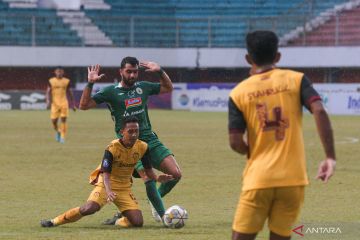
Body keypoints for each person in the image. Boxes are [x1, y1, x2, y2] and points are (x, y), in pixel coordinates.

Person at [228, 31, 336, 240]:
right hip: (293, 179)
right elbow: (320, 110)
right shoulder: (296, 80)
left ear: (248, 59)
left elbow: (234, 142)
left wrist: (253, 150)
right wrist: (330, 157)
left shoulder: (239, 93)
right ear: (278, 56)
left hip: (258, 178)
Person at [79, 57, 182, 224]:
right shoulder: (110, 91)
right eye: (129, 71)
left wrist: (160, 71)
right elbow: (84, 105)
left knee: (175, 174)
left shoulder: (143, 87)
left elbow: (168, 88)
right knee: (148, 177)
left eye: (135, 71)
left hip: (150, 139)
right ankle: (164, 217)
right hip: (129, 144)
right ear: (121, 72)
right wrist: (90, 83)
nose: (132, 75)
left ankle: (154, 201)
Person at [40, 116, 173, 228]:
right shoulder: (112, 148)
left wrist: (157, 178)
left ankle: (117, 221)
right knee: (89, 208)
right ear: (122, 131)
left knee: (138, 222)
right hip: (106, 184)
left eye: (136, 131)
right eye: (130, 131)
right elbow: (106, 173)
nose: (133, 135)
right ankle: (54, 221)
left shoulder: (143, 147)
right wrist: (109, 191)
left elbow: (148, 170)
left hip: (124, 188)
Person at [46, 66, 76, 143]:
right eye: (58, 71)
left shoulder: (66, 81)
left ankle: (62, 137)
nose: (59, 73)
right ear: (55, 72)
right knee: (54, 121)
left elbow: (70, 92)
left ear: (63, 72)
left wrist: (72, 104)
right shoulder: (51, 81)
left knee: (63, 120)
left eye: (60, 71)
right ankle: (58, 131)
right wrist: (48, 101)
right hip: (55, 104)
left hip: (64, 103)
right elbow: (48, 92)